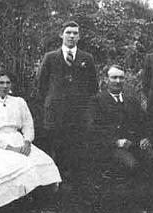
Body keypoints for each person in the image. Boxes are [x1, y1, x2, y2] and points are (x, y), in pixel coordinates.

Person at [0, 68, 61, 213]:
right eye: (1, 82)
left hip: (19, 140)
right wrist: (9, 148)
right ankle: (14, 209)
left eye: (8, 82)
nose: (5, 86)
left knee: (44, 162)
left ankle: (43, 206)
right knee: (19, 166)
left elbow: (28, 124)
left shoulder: (19, 102)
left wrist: (27, 141)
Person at [37, 20, 97, 178]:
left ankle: (75, 189)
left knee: (77, 151)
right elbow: (42, 86)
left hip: (78, 115)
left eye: (75, 33)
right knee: (57, 150)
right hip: (56, 115)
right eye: (68, 32)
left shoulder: (87, 58)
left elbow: (93, 87)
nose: (71, 36)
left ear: (79, 36)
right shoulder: (50, 57)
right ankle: (55, 185)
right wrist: (52, 104)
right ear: (61, 34)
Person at [87, 65, 153, 173]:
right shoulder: (97, 101)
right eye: (114, 77)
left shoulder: (132, 100)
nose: (118, 81)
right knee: (132, 165)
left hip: (135, 144)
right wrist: (115, 142)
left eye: (121, 78)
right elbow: (93, 129)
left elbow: (145, 122)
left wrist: (145, 137)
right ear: (105, 79)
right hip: (110, 147)